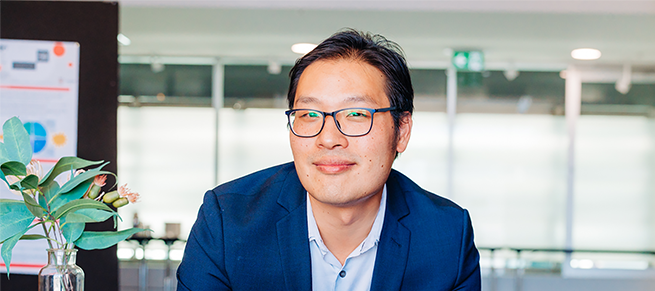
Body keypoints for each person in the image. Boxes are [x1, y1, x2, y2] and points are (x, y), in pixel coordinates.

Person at [176, 29, 481, 290]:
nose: (329, 138)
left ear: (401, 131)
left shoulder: (446, 235)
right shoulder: (228, 220)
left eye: (357, 114)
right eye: (309, 114)